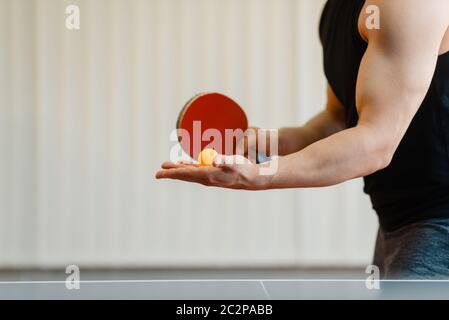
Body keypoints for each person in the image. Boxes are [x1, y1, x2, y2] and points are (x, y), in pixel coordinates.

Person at [156, 0, 449, 279]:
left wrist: (260, 174)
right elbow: (335, 120)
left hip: (439, 224)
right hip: (398, 222)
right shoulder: (337, 11)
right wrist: (262, 143)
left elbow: (376, 144)